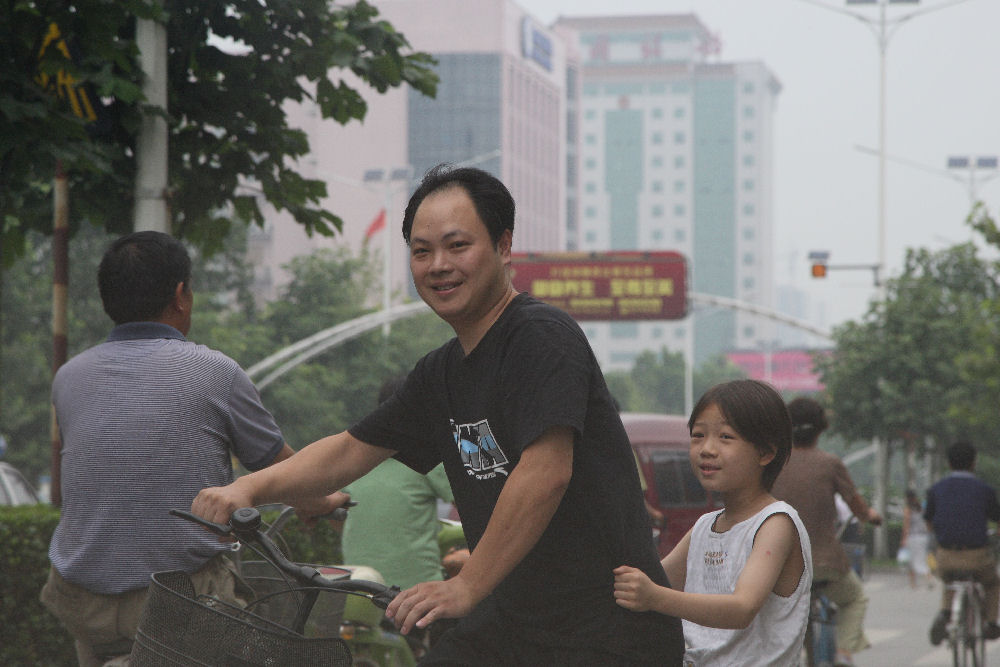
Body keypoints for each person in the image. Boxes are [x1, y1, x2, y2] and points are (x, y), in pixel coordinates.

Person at [191, 164, 685, 664]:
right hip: (517, 623)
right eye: (421, 251)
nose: (438, 265)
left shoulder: (541, 336)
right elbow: (348, 450)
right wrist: (247, 488)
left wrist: (468, 585)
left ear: (504, 246)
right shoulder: (440, 374)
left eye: (457, 246)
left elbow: (546, 471)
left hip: (606, 632)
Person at [40, 231, 345, 667]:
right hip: (182, 603)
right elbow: (290, 475)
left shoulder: (69, 377)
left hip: (83, 602)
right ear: (181, 296)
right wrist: (325, 501)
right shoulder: (214, 371)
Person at [613, 379, 813, 666]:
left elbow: (741, 609)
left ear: (766, 453)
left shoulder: (775, 523)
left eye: (726, 437)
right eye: (698, 435)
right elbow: (655, 576)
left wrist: (654, 597)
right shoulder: (705, 526)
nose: (707, 448)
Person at [771, 396, 882, 667]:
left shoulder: (772, 463)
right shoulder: (830, 463)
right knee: (855, 598)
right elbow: (857, 505)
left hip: (777, 567)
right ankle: (843, 652)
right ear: (822, 428)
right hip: (824, 564)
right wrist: (871, 516)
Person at [340, 374, 456, 590]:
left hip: (359, 586)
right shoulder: (427, 456)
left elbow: (334, 511)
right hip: (419, 590)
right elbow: (476, 508)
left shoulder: (357, 460)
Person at [925, 441, 1000, 645]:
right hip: (977, 556)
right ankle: (991, 623)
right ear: (973, 463)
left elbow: (928, 521)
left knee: (950, 579)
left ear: (949, 463)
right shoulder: (985, 490)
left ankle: (945, 613)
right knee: (993, 584)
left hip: (946, 556)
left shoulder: (936, 489)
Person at [900, 488, 933, 589]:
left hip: (913, 537)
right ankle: (915, 583)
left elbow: (906, 525)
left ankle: (923, 580)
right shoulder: (921, 508)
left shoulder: (908, 509)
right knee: (920, 560)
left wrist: (904, 539)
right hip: (923, 537)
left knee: (913, 561)